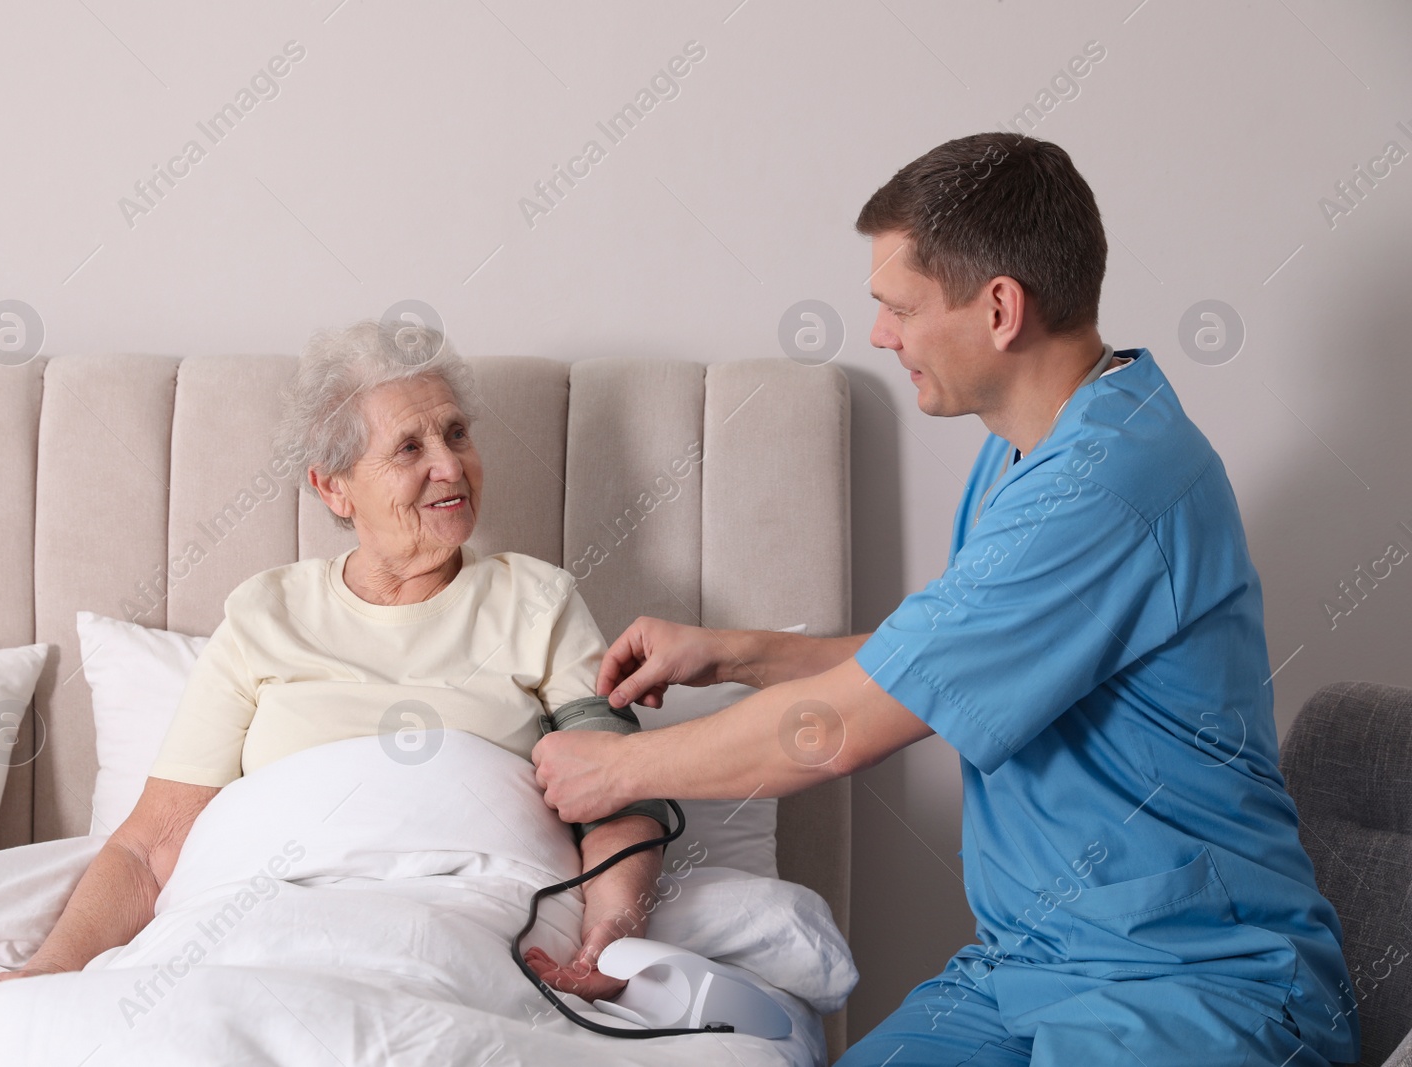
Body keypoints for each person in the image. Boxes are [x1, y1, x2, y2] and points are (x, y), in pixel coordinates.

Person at [531, 132, 1359, 1066]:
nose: (882, 334)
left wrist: (619, 772)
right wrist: (733, 653)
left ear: (1000, 307)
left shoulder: (1103, 483)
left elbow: (842, 725)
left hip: (1194, 984)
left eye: (899, 307)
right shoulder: (1030, 445)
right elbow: (938, 659)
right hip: (1028, 966)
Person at [0, 321, 663, 1001]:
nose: (450, 466)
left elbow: (621, 801)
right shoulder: (265, 615)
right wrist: (49, 969)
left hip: (464, 919)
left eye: (456, 433)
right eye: (409, 447)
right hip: (262, 919)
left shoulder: (539, 602)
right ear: (334, 487)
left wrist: (614, 927)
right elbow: (148, 849)